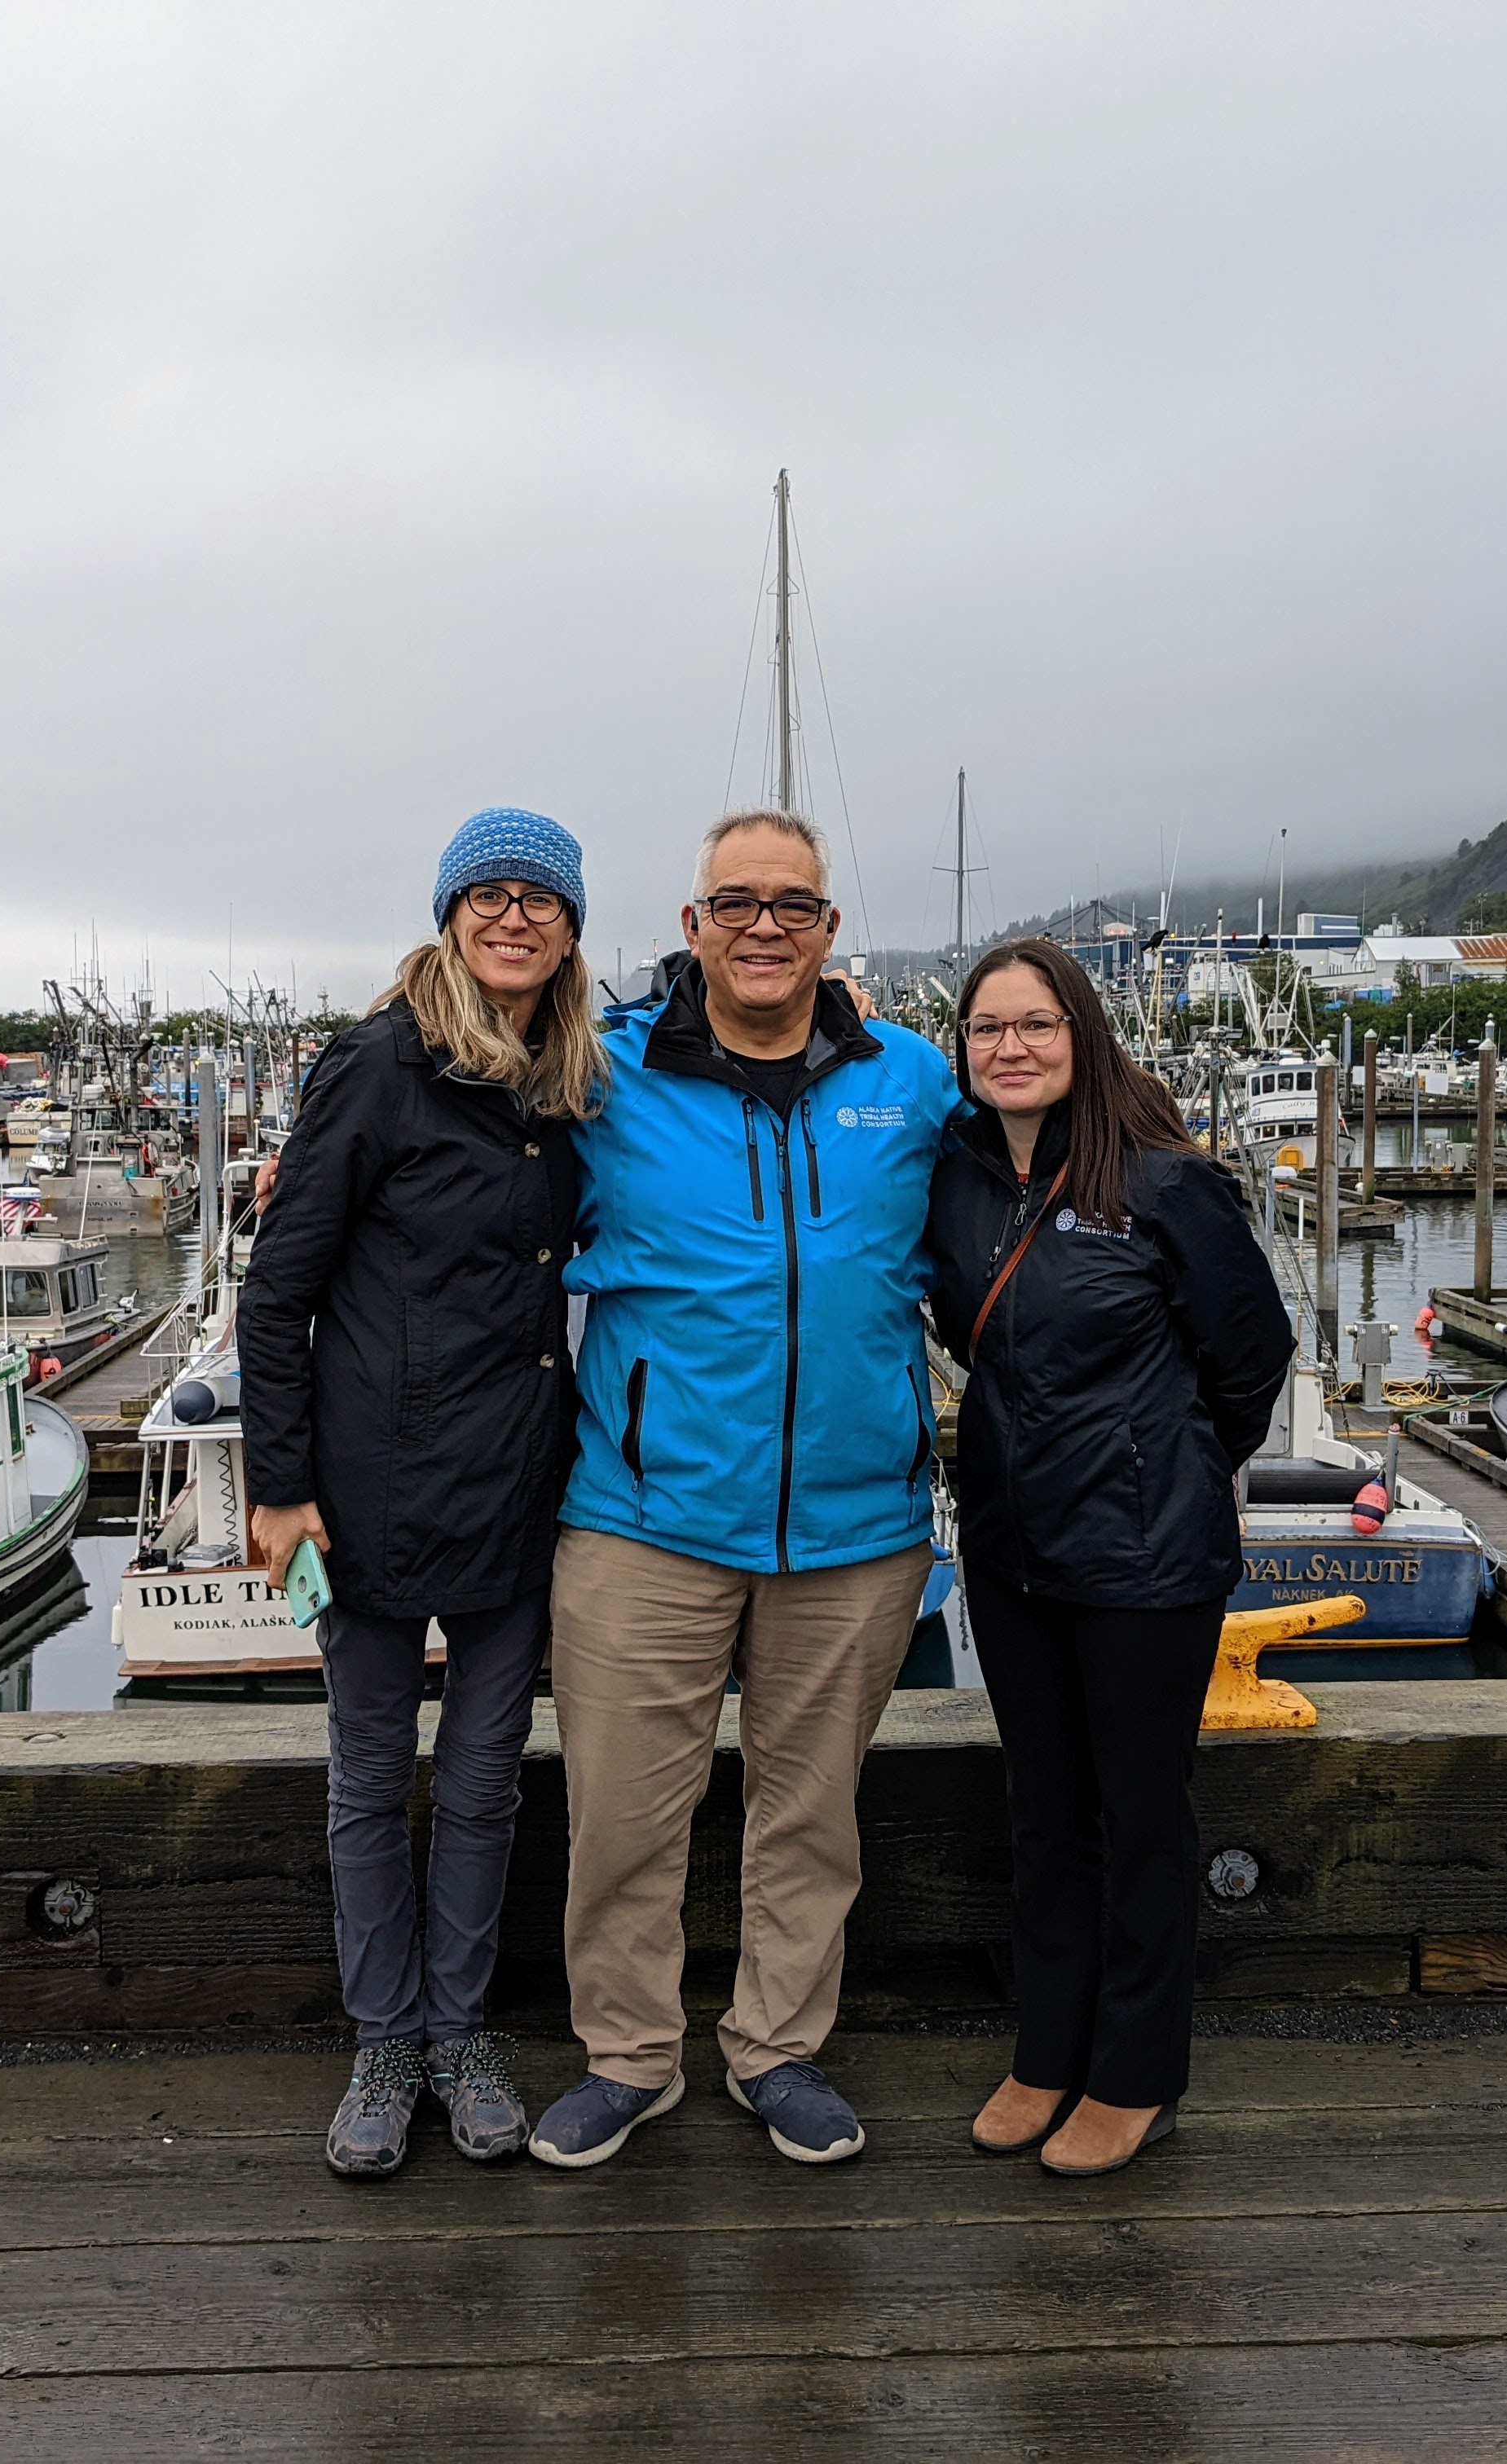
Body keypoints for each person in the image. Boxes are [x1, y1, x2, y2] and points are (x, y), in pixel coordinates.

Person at [525, 810, 963, 2170]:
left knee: (811, 1812)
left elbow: (1044, 1192)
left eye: (794, 903)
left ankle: (776, 2048)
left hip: (858, 1528)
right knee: (621, 1814)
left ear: (832, 930)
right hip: (643, 1521)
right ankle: (629, 2056)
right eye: (736, 902)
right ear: (691, 924)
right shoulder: (600, 1081)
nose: (765, 924)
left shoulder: (917, 1077)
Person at [239, 807, 602, 2180]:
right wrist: (281, 1490)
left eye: (543, 901)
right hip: (369, 1489)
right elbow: (279, 1297)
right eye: (490, 896)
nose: (515, 918)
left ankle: (461, 2033)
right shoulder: (377, 1066)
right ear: (449, 914)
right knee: (372, 1774)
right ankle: (384, 2039)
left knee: (491, 1783)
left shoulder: (567, 1074)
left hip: (517, 1486)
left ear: (571, 928)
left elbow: (692, 1030)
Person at [924, 936, 1293, 2177]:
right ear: (962, 1050)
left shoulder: (1167, 1182)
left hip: (1145, 1556)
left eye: (1036, 1025)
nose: (1010, 1049)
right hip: (1012, 1544)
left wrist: (1166, 1458)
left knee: (1138, 1814)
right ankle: (1048, 2050)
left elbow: (1251, 1357)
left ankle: (1135, 2076)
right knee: (1043, 1812)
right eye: (987, 1030)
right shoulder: (962, 1177)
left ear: (1082, 1035)